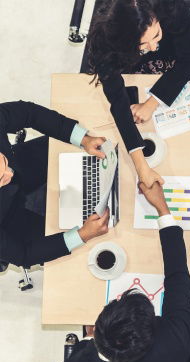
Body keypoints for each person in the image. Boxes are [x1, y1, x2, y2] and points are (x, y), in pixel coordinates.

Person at [51, 181, 190, 362]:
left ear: (97, 328)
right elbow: (178, 277)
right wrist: (162, 208)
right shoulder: (173, 345)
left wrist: (88, 339)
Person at [85, 0, 190, 189]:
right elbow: (117, 99)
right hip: (130, 64)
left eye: (155, 35)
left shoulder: (173, 8)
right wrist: (141, 166)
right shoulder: (107, 35)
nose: (153, 47)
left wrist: (151, 103)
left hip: (171, 52)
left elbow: (188, 62)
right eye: (143, 43)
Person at [0, 101, 110, 268]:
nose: (9, 173)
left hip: (23, 162)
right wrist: (81, 235)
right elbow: (24, 253)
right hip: (10, 221)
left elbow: (30, 113)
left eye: (2, 161)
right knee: (92, 247)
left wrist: (83, 138)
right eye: (1, 179)